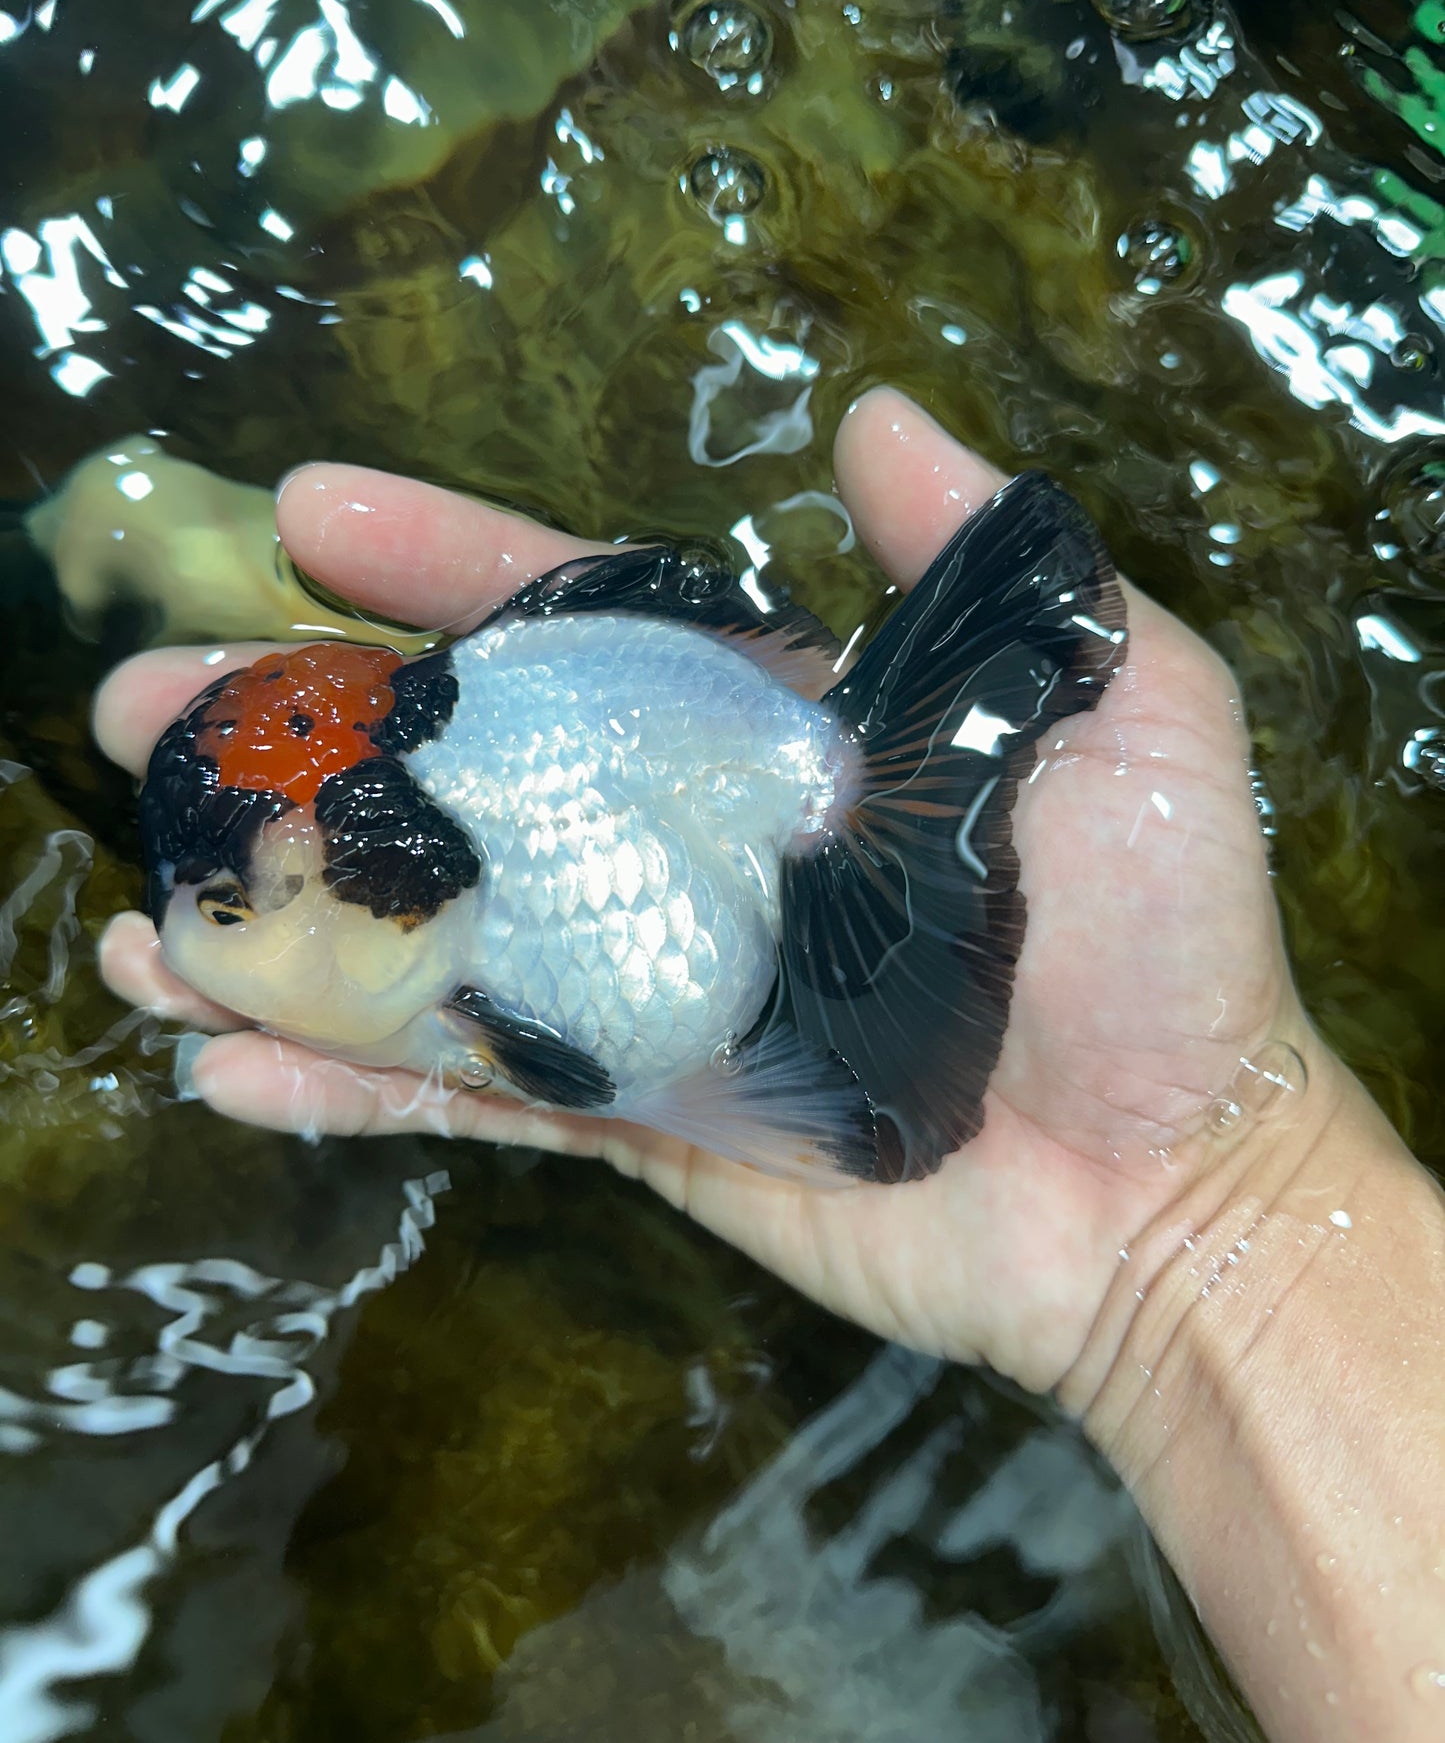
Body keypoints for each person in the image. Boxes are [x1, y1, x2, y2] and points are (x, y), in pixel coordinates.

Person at [95, 389, 1445, 1741]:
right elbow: (602, 1074)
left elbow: (590, 1073)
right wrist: (1212, 1223)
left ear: (326, 876)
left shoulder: (477, 962)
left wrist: (1194, 1214)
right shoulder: (450, 933)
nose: (198, 946)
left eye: (229, 910)